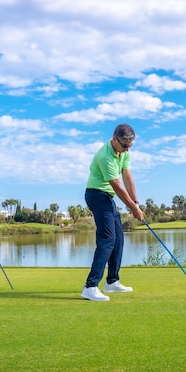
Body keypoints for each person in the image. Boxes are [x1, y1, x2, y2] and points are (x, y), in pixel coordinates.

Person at [82, 124, 144, 301]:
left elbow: (128, 178)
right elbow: (117, 186)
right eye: (124, 145)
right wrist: (133, 208)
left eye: (130, 146)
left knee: (118, 237)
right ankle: (90, 286)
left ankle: (112, 281)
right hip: (96, 195)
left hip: (107, 198)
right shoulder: (105, 156)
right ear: (114, 139)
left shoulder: (123, 152)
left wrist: (136, 203)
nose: (126, 149)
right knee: (107, 239)